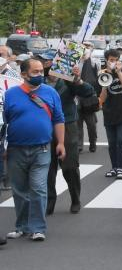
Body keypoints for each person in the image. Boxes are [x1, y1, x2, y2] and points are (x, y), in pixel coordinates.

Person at [5, 57, 65, 241]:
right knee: (19, 189)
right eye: (35, 72)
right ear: (24, 74)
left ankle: (38, 227)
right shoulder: (10, 94)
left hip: (42, 148)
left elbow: (58, 119)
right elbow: (4, 121)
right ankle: (22, 226)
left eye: (41, 71)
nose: (40, 75)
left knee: (38, 188)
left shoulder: (51, 93)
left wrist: (61, 143)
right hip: (16, 149)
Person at [45, 61, 93, 215]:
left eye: (51, 62)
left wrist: (76, 79)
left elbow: (88, 91)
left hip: (67, 126)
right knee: (47, 168)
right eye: (45, 63)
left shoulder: (67, 80)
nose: (48, 66)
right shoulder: (38, 82)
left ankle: (75, 198)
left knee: (70, 167)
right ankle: (49, 202)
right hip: (44, 127)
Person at [98, 49, 122, 179]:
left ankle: (120, 168)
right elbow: (101, 99)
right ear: (106, 61)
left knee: (121, 140)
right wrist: (104, 84)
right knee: (112, 143)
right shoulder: (102, 75)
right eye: (111, 60)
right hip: (109, 113)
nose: (113, 62)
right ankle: (114, 167)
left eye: (116, 60)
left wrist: (119, 71)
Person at [77, 44, 100, 153]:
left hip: (89, 96)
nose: (85, 48)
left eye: (87, 46)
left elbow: (97, 66)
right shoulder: (76, 61)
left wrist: (89, 53)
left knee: (91, 124)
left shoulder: (94, 60)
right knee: (78, 123)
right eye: (83, 46)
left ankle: (93, 143)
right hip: (76, 95)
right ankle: (79, 145)